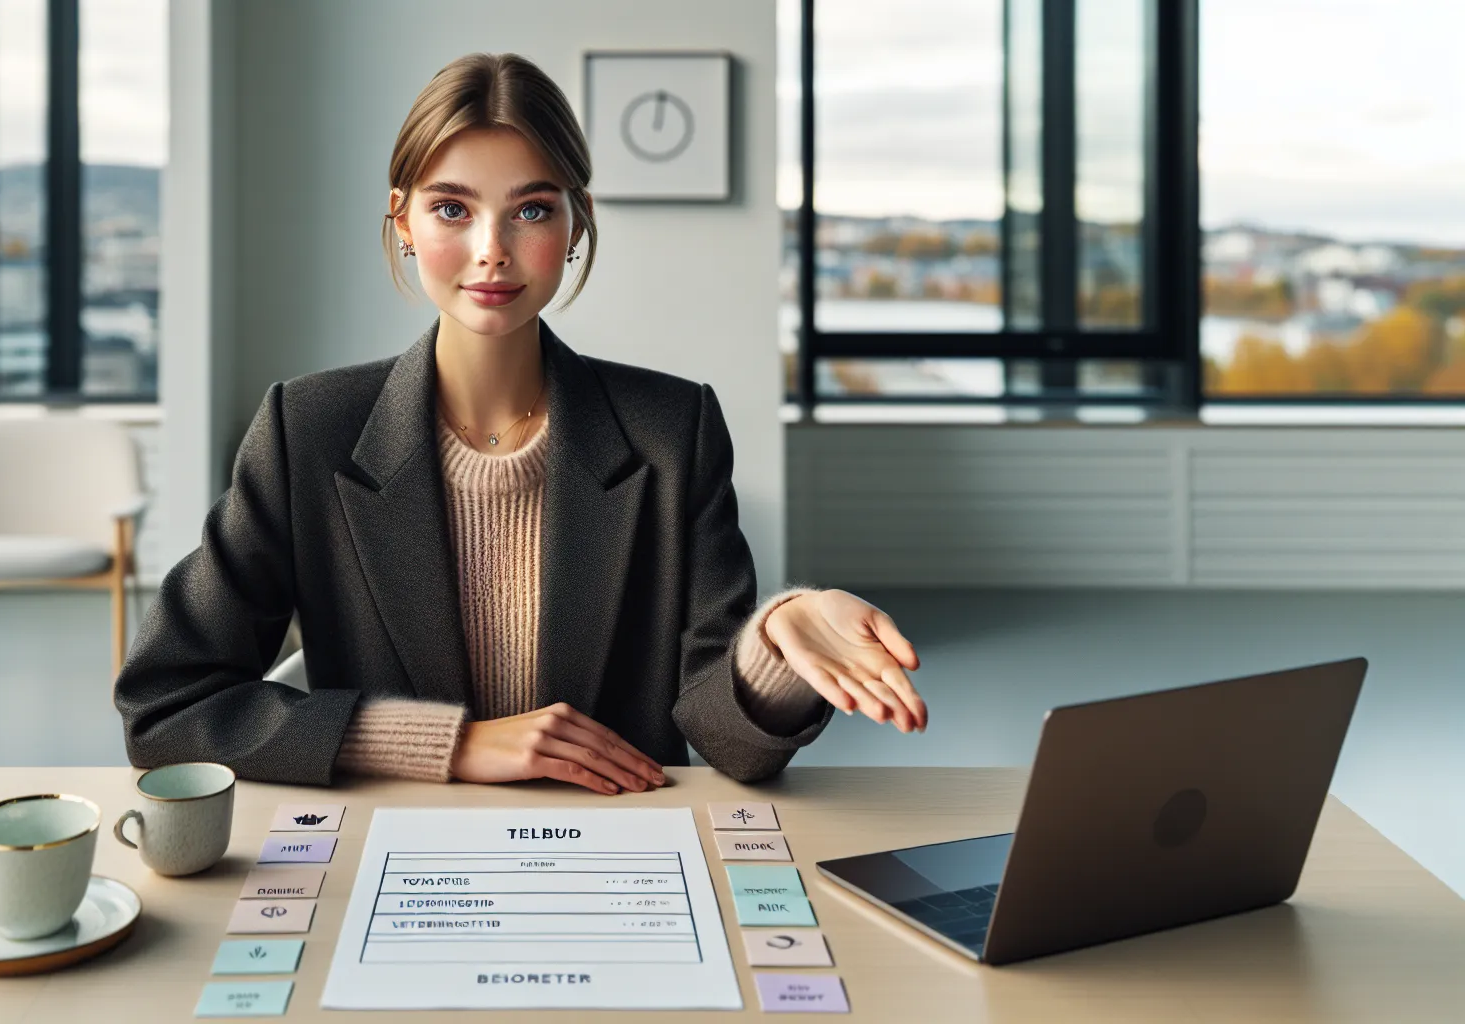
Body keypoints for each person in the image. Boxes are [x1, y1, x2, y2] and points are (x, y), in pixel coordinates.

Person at [113, 52, 926, 795]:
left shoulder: (672, 428)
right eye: (451, 209)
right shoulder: (308, 428)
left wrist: (777, 639)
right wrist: (446, 743)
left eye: (531, 211)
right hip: (393, 852)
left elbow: (727, 740)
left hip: (619, 856)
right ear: (403, 222)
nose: (492, 250)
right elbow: (168, 702)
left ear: (577, 221)